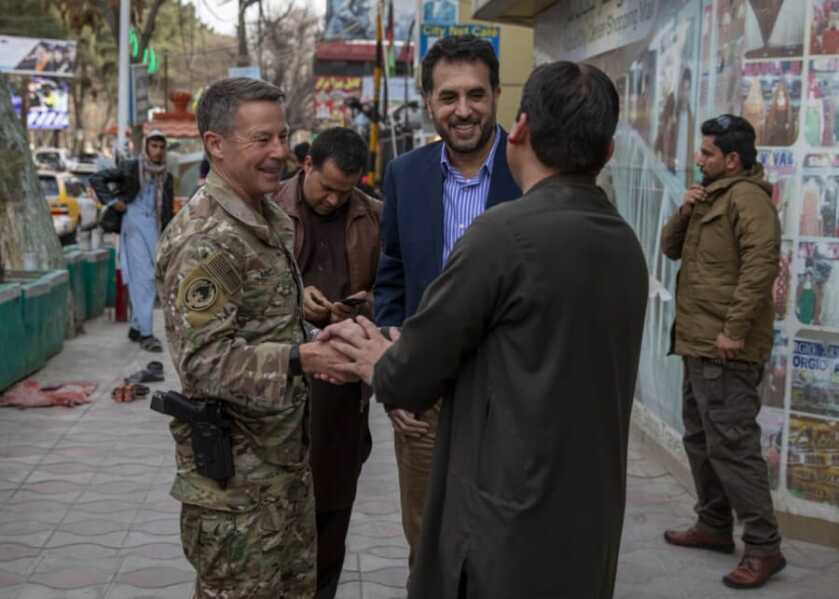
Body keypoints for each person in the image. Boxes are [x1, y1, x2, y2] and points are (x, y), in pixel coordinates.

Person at [321, 61, 649, 599]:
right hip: (587, 513)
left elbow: (405, 377)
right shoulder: (624, 245)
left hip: (505, 512)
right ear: (607, 153)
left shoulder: (502, 234)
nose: (463, 109)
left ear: (517, 128)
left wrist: (374, 354)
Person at [155, 78, 350, 599]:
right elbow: (203, 364)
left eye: (282, 137)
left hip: (282, 470)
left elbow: (259, 324)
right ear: (215, 145)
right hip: (236, 488)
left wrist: (311, 331)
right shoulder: (207, 239)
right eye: (261, 140)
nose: (279, 153)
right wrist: (298, 357)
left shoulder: (264, 218)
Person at [373, 33, 521, 576]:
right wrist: (395, 359)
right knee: (427, 538)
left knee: (503, 542)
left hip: (511, 396)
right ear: (430, 102)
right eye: (449, 97)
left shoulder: (534, 171)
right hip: (424, 399)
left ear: (498, 95)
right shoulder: (404, 175)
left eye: (476, 95)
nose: (464, 111)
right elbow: (390, 275)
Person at [661, 114, 784, 589]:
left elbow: (761, 264)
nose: (699, 158)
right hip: (697, 344)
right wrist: (685, 209)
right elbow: (670, 248)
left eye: (707, 153)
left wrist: (734, 330)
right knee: (701, 440)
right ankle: (714, 526)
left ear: (732, 159)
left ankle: (764, 546)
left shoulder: (748, 199)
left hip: (726, 349)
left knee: (733, 446)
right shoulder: (709, 196)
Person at [273, 127, 381, 599]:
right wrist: (297, 301)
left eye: (346, 191)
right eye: (327, 187)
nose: (335, 201)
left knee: (331, 515)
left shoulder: (374, 217)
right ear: (307, 165)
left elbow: (396, 289)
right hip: (280, 386)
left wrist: (368, 303)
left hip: (341, 393)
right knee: (276, 514)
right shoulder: (268, 209)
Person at [90, 129, 173, 352]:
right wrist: (112, 201)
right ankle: (146, 333)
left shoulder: (166, 175)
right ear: (146, 147)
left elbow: (166, 213)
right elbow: (97, 178)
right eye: (153, 146)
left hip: (154, 229)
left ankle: (136, 327)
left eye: (161, 147)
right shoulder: (130, 167)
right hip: (134, 226)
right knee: (143, 278)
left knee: (150, 278)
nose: (157, 151)